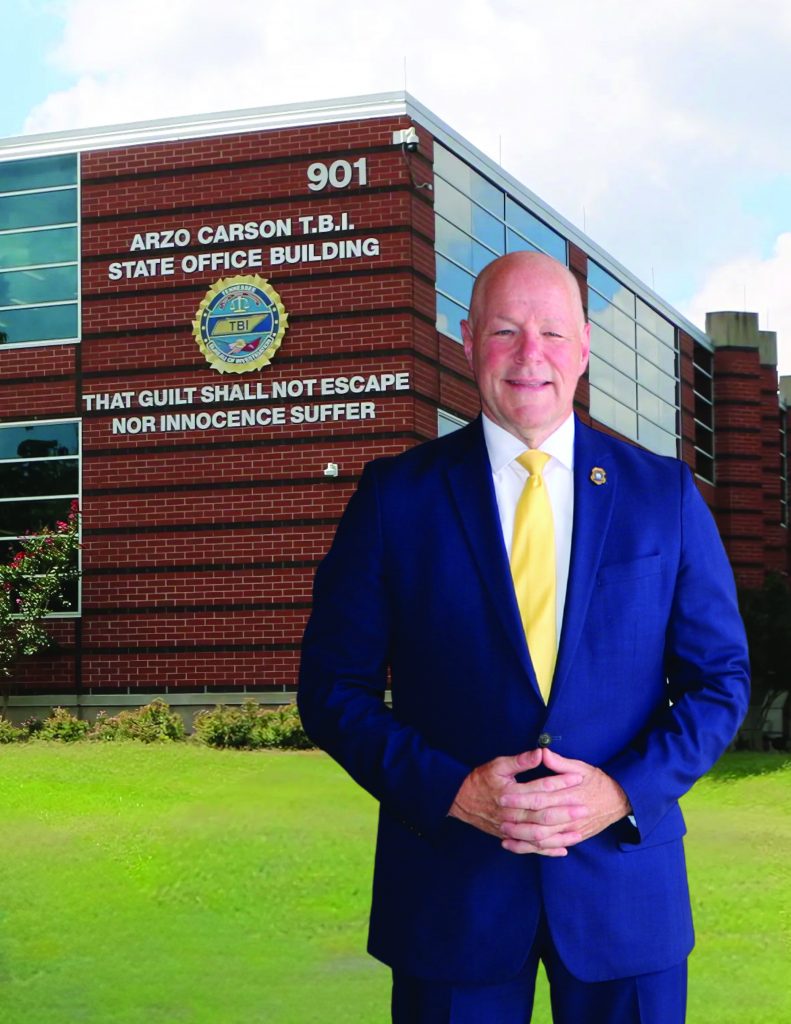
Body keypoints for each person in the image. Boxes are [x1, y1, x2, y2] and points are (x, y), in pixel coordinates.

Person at [298, 251, 749, 1023]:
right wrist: (451, 791)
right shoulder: (394, 498)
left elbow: (719, 683)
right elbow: (332, 690)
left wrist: (620, 791)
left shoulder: (662, 496)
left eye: (550, 332)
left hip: (623, 893)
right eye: (505, 331)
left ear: (581, 348)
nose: (529, 355)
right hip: (452, 894)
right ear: (467, 340)